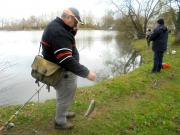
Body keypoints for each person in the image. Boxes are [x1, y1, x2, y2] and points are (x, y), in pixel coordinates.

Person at [40, 7, 96, 130]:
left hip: (60, 70)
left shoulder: (58, 26)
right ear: (69, 18)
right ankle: (59, 122)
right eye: (76, 22)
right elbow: (66, 60)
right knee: (64, 96)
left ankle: (63, 113)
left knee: (65, 95)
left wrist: (74, 30)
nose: (76, 25)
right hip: (63, 72)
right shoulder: (59, 32)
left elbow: (67, 39)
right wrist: (87, 73)